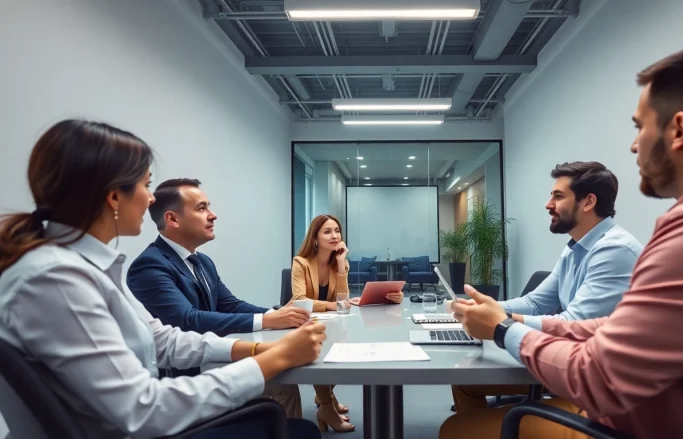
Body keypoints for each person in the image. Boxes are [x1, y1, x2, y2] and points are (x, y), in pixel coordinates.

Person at [441, 37, 683, 439]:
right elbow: (610, 330)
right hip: (654, 408)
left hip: (627, 425)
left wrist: (503, 329)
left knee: (458, 431)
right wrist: (502, 317)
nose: (633, 145)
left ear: (679, 129)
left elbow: (599, 377)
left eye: (639, 127)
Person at [0, 119, 323, 439]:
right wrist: (277, 357)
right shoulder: (57, 279)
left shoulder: (81, 267)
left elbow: (164, 340)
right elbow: (144, 410)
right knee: (301, 432)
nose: (151, 198)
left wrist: (256, 349)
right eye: (145, 185)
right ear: (114, 197)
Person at [451, 161, 643, 413]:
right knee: (464, 381)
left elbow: (573, 324)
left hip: (598, 387)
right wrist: (480, 308)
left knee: (456, 428)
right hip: (573, 365)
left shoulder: (614, 249)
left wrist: (500, 320)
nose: (548, 204)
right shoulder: (575, 247)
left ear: (588, 202)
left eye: (558, 196)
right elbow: (535, 302)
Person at [126, 178, 308, 416]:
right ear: (172, 219)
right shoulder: (150, 265)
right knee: (280, 382)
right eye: (202, 208)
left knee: (282, 381)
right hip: (187, 379)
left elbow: (228, 304)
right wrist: (268, 321)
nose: (213, 215)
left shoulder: (201, 261)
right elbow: (187, 319)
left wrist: (276, 314)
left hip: (212, 358)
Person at [291, 214, 404, 433]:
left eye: (337, 231)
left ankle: (326, 395)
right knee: (322, 351)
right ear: (315, 238)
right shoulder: (301, 263)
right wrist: (332, 306)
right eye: (327, 231)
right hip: (303, 321)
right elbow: (299, 300)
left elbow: (342, 297)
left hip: (330, 321)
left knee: (344, 347)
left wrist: (341, 264)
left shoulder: (339, 263)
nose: (335, 236)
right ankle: (326, 407)